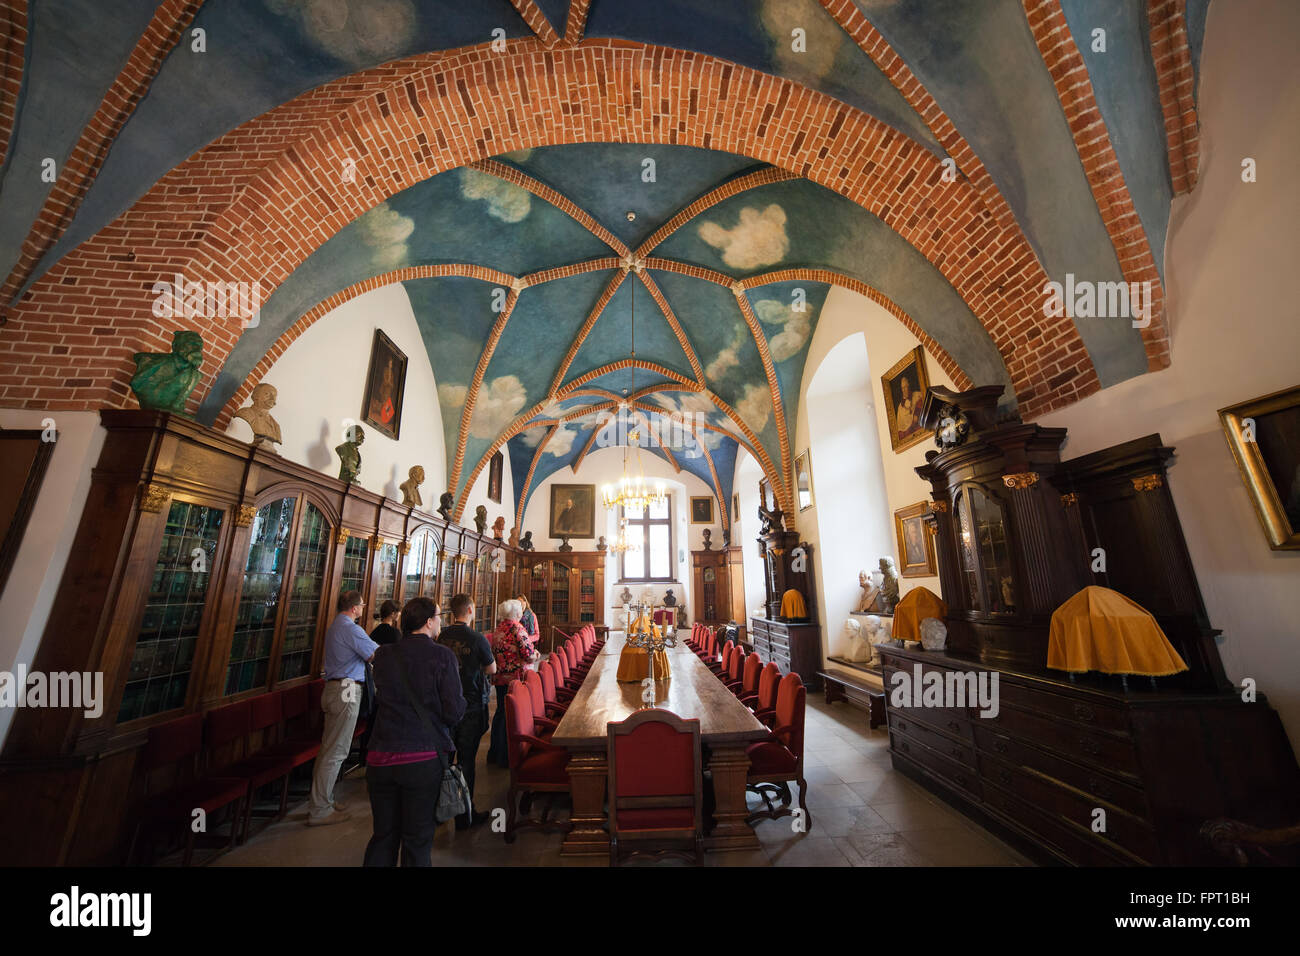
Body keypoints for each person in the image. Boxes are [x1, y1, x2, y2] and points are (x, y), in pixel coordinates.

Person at [363, 597, 465, 866]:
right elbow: (453, 711)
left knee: (383, 836)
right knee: (417, 838)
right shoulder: (442, 655)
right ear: (429, 622)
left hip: (380, 755)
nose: (441, 621)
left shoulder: (384, 654)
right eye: (439, 617)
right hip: (421, 758)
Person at [307, 590, 377, 826]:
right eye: (362, 606)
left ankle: (323, 800)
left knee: (330, 749)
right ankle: (320, 809)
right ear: (355, 607)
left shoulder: (337, 625)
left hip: (335, 689)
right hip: (345, 691)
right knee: (335, 752)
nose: (362, 609)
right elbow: (374, 653)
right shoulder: (350, 628)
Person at [436, 593, 496, 830]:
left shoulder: (442, 636)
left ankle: (440, 809)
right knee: (467, 759)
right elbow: (491, 668)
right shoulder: (476, 637)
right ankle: (465, 814)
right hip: (470, 703)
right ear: (470, 610)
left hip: (445, 703)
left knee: (445, 758)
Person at [486, 599, 540, 768]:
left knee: (501, 713)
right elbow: (528, 654)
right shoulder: (517, 628)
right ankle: (509, 755)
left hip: (501, 676)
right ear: (517, 613)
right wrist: (537, 655)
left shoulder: (499, 628)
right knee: (514, 715)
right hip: (516, 677)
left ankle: (495, 752)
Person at [358, 599, 403, 763]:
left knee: (373, 718)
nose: (399, 615)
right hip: (390, 680)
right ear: (393, 614)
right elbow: (399, 657)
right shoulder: (394, 633)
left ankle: (366, 754)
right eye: (398, 612)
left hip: (374, 678)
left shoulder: (375, 632)